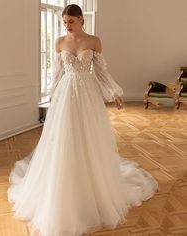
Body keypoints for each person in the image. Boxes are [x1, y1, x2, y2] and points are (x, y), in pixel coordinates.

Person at [8, 4, 158, 236]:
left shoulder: (94, 41)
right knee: (64, 137)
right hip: (66, 94)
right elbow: (58, 73)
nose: (66, 25)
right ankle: (62, 182)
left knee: (88, 136)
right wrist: (52, 96)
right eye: (64, 21)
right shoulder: (59, 42)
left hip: (87, 94)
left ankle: (92, 182)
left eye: (70, 21)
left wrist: (115, 92)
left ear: (81, 20)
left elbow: (100, 72)